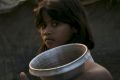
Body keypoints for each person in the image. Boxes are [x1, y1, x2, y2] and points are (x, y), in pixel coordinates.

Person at [20, 0, 113, 80]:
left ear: (74, 26)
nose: (46, 31)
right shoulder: (49, 72)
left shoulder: (97, 75)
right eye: (43, 26)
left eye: (55, 24)